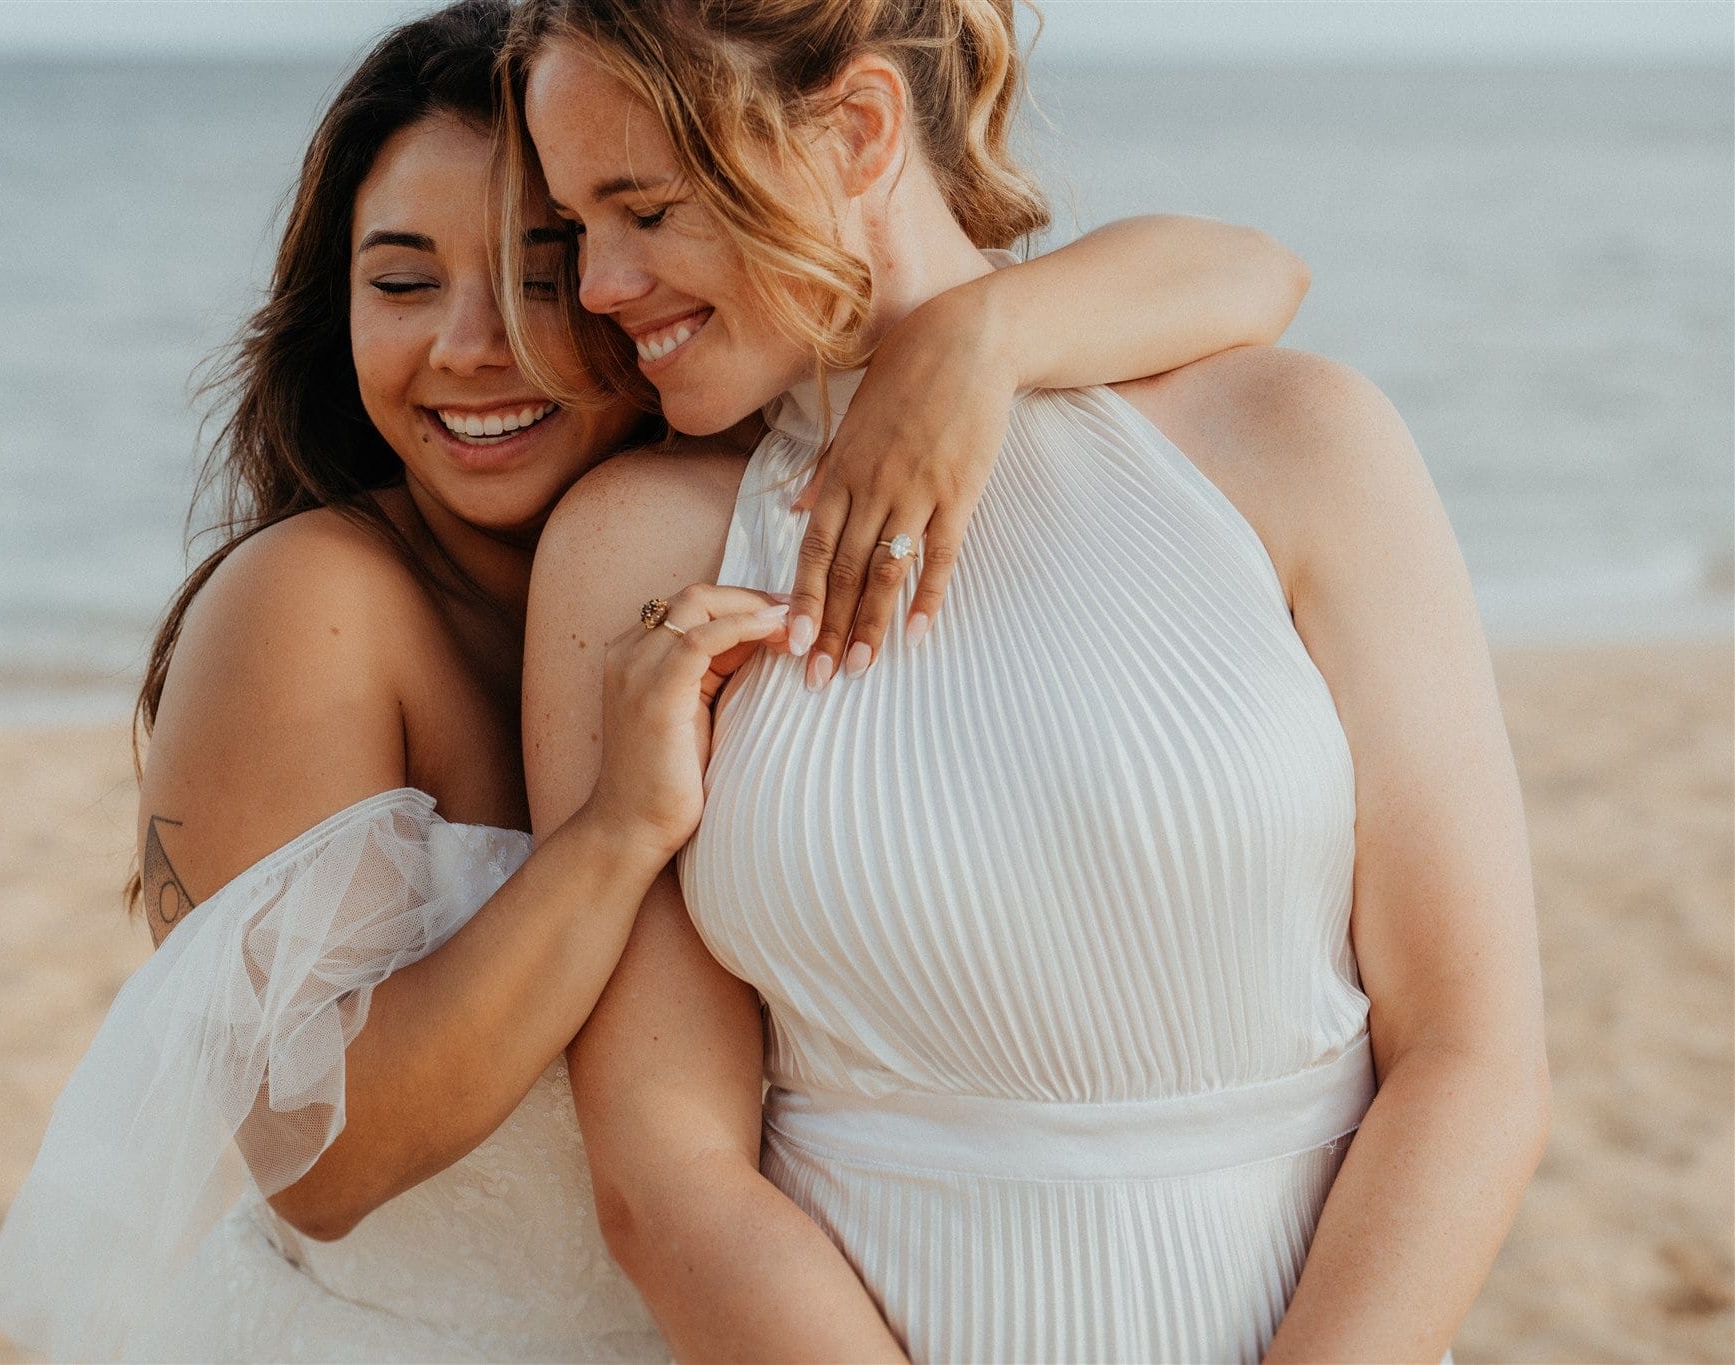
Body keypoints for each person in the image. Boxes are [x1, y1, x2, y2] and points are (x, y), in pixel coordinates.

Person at [0, 1, 1316, 1360]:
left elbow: (1253, 268)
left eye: (543, 272)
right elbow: (316, 1165)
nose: (469, 344)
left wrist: (978, 341)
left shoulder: (719, 514)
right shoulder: (316, 600)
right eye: (399, 281)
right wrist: (615, 831)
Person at [514, 1, 1551, 1361]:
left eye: (643, 209)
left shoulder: (1296, 443)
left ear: (862, 131)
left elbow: (1474, 1058)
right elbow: (666, 1177)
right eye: (575, 228)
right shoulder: (632, 552)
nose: (597, 285)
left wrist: (979, 339)